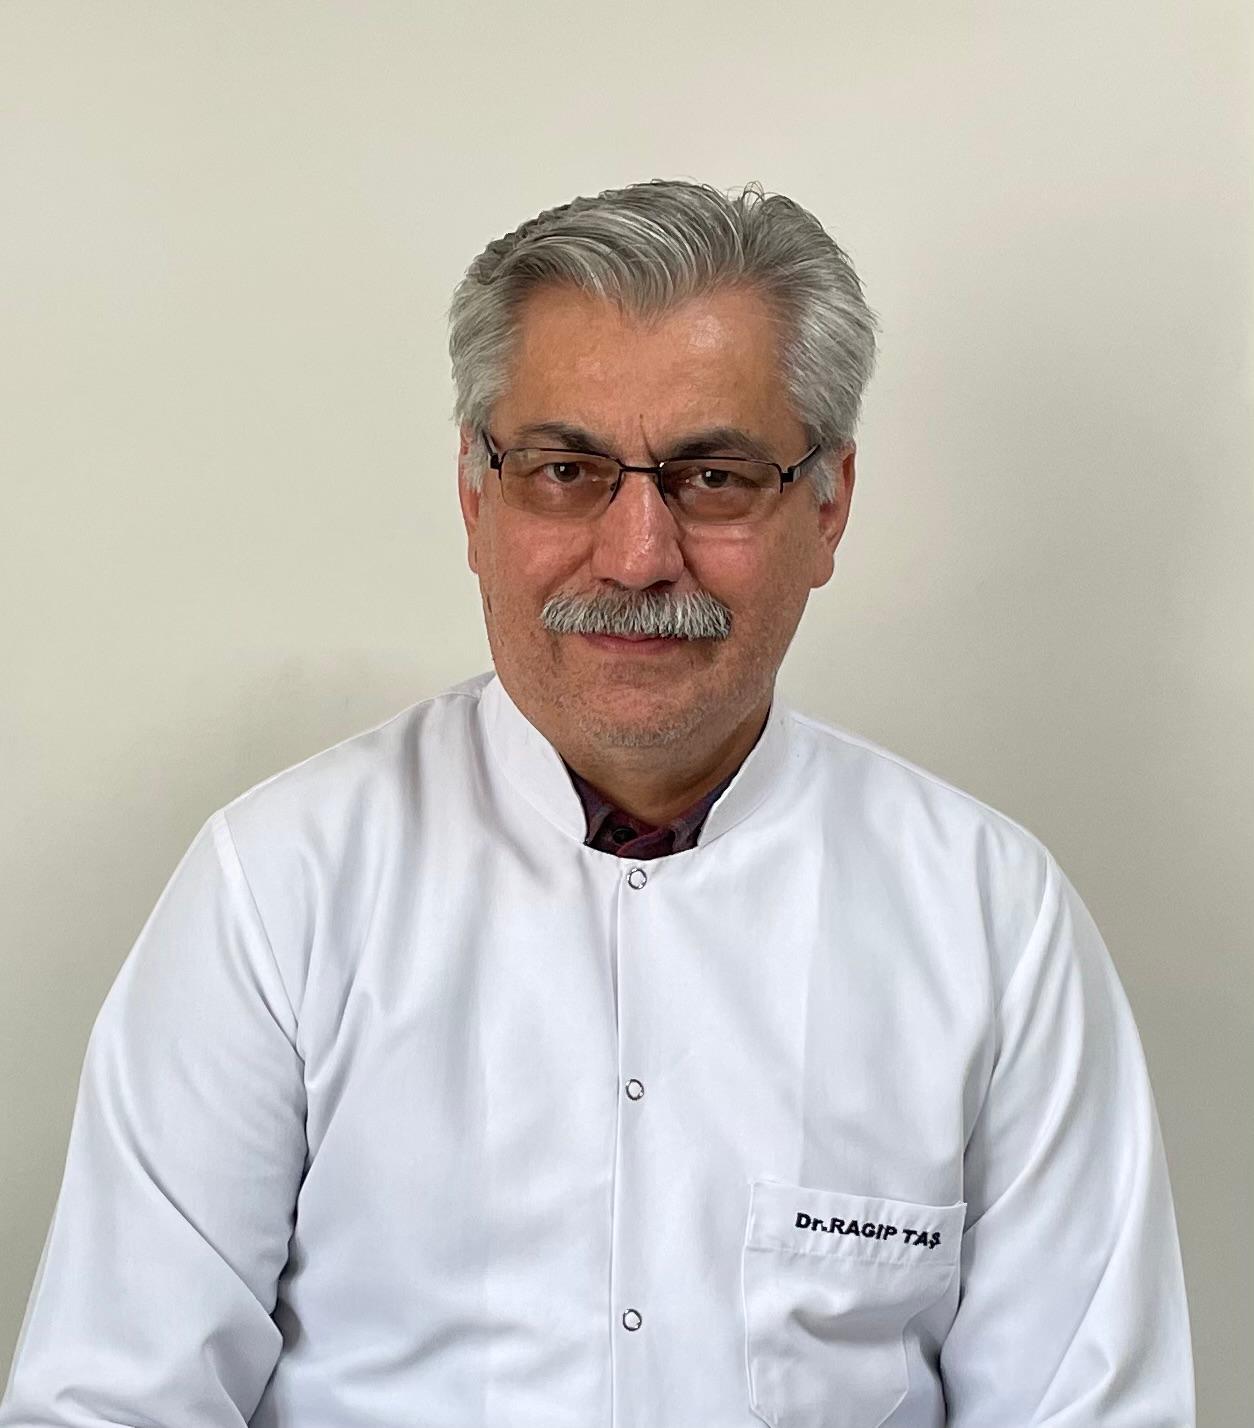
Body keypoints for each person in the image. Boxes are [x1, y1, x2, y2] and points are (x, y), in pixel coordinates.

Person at [1, 179, 1194, 1427]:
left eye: (714, 477)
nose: (636, 556)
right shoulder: (280, 884)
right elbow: (113, 1403)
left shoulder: (991, 919)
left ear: (829, 505)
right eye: (566, 470)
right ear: (477, 498)